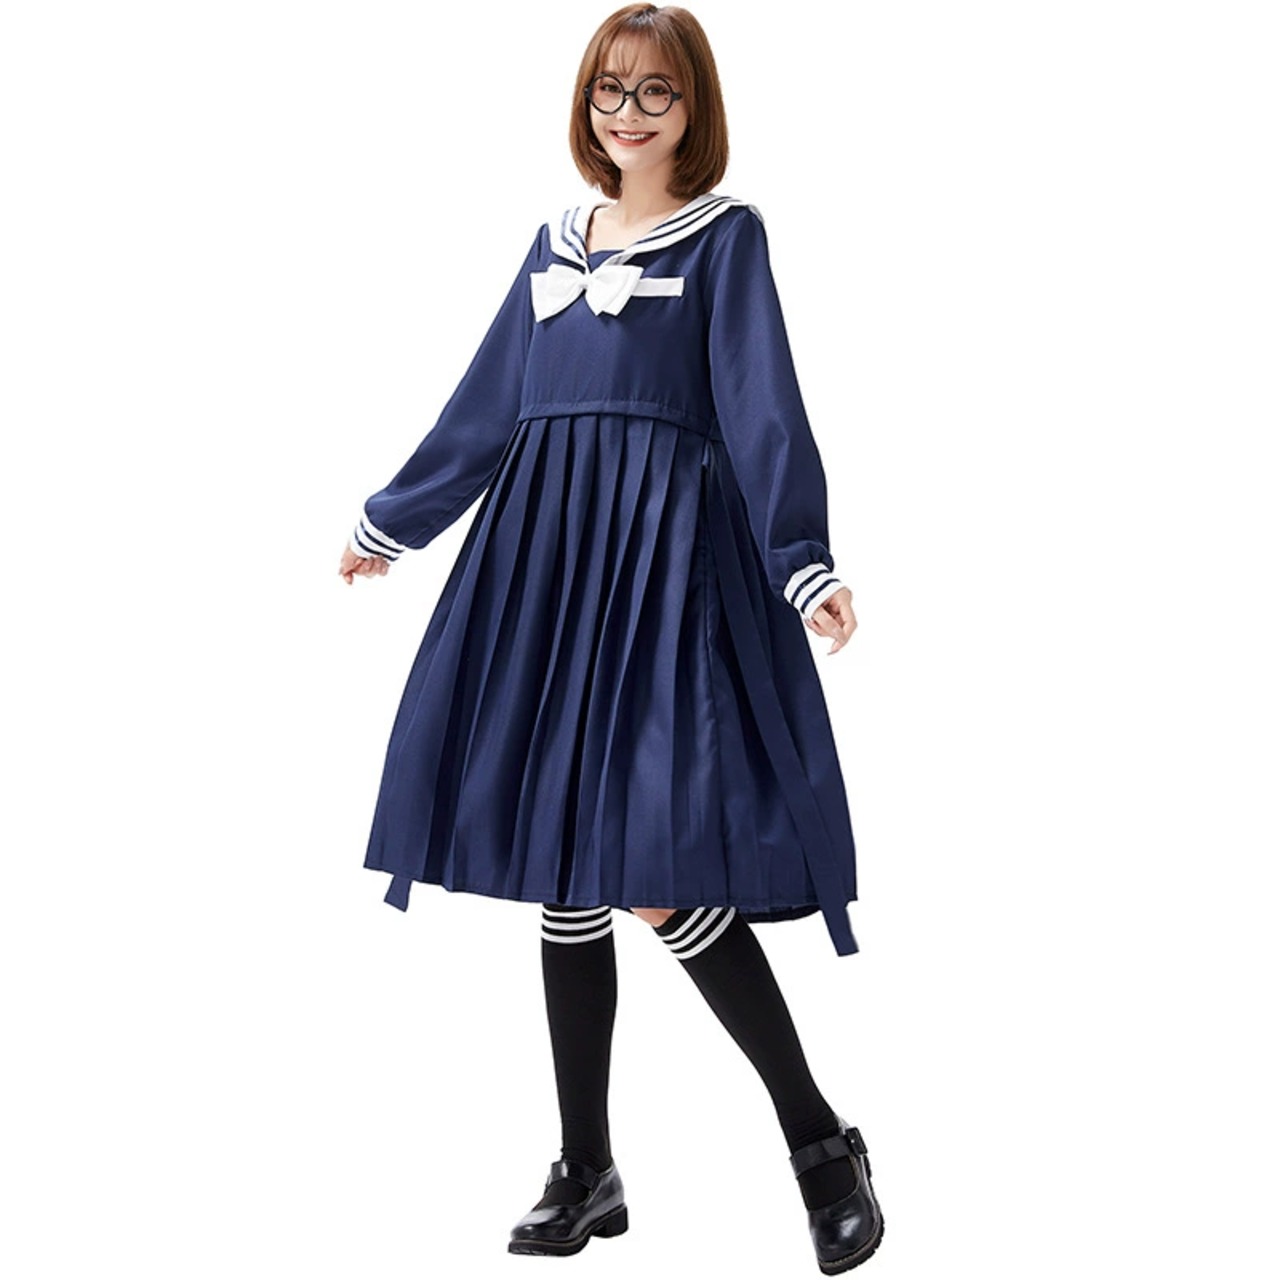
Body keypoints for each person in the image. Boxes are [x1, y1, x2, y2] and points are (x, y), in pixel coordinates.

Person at [337, 4, 884, 1272]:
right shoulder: (551, 241)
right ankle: (585, 1166)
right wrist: (394, 519)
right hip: (545, 556)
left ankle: (818, 1140)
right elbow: (488, 403)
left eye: (655, 93)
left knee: (654, 866)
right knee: (566, 864)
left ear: (694, 107)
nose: (628, 115)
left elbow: (760, 406)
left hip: (662, 564)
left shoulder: (726, 237)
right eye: (608, 92)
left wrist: (801, 560)